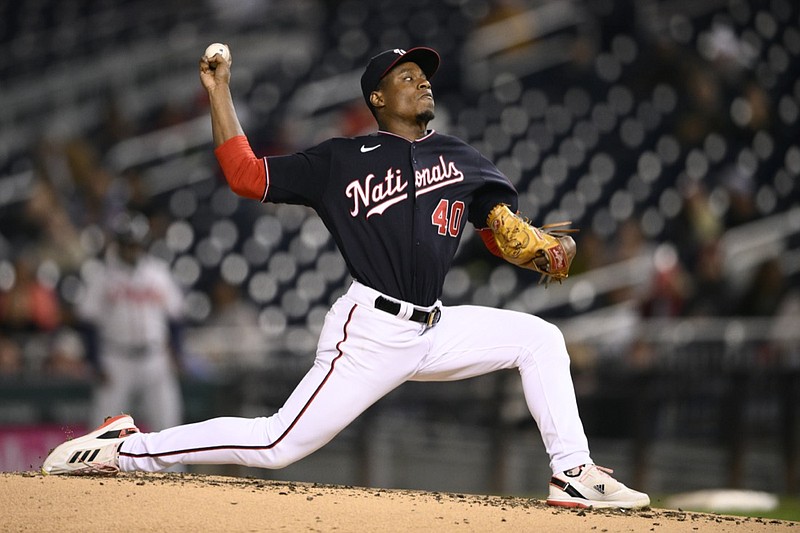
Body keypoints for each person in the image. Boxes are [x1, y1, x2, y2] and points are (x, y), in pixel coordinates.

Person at [42, 46, 649, 509]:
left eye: (424, 74)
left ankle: (572, 473)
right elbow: (246, 176)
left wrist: (540, 247)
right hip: (371, 332)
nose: (422, 81)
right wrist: (219, 91)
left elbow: (496, 229)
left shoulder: (462, 158)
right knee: (277, 444)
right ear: (378, 100)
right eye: (406, 77)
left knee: (539, 339)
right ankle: (125, 449)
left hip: (435, 328)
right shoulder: (340, 160)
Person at [74, 212, 186, 432]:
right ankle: (97, 467)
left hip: (155, 359)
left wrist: (177, 354)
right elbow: (87, 322)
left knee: (168, 426)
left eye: (136, 244)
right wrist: (95, 362)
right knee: (103, 428)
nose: (133, 249)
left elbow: (176, 318)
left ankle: (172, 468)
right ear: (119, 244)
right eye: (128, 244)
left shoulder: (158, 273)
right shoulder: (102, 275)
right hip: (116, 360)